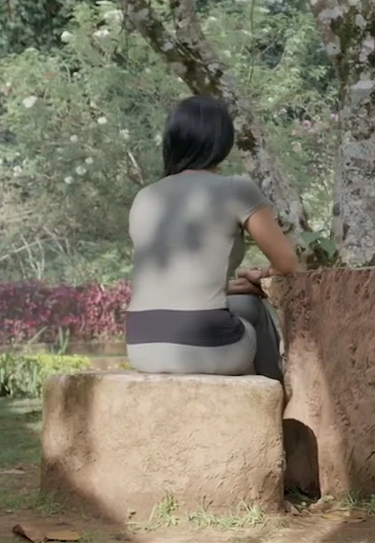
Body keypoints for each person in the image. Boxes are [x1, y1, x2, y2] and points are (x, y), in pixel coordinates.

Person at [123, 96, 300, 380]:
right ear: (222, 141)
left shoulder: (145, 197)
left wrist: (233, 286)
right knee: (254, 309)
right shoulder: (237, 189)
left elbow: (177, 284)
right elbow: (287, 264)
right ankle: (278, 392)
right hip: (206, 345)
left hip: (141, 346)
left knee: (242, 303)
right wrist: (262, 278)